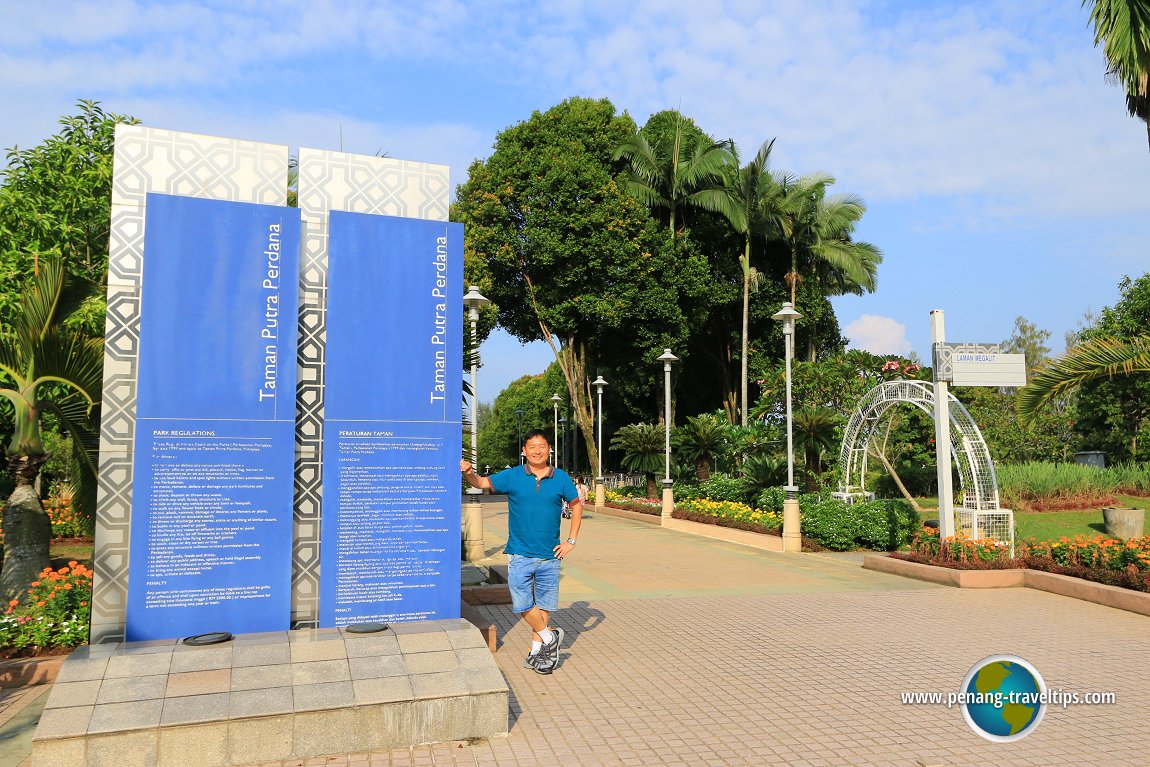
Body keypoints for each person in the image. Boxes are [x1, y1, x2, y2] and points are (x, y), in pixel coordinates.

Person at [461, 429, 582, 675]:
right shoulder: (514, 476)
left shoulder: (560, 478)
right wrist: (469, 473)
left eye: (542, 446)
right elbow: (482, 483)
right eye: (532, 446)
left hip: (551, 555)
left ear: (549, 450)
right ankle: (550, 638)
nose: (537, 450)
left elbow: (576, 505)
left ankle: (538, 652)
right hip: (520, 554)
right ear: (524, 451)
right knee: (523, 604)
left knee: (544, 606)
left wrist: (571, 541)